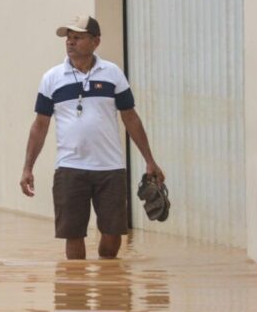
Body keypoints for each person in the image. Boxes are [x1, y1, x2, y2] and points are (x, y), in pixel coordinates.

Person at [20, 15, 164, 260]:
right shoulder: (51, 78)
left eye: (78, 37)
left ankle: (107, 285)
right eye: (68, 38)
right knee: (73, 236)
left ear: (96, 41)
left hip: (110, 168)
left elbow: (131, 118)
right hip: (69, 168)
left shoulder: (113, 74)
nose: (70, 42)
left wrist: (150, 160)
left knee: (112, 237)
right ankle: (78, 291)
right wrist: (27, 168)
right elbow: (40, 126)